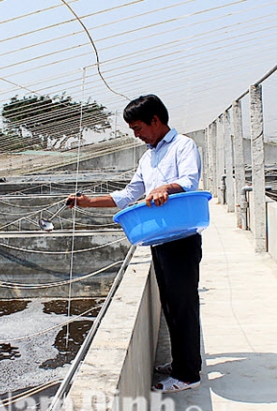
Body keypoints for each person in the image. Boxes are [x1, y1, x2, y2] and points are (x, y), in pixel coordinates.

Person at [66, 94, 203, 393]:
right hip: (160, 239)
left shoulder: (183, 146)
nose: (136, 135)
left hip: (181, 238)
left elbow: (190, 181)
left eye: (138, 127)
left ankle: (188, 375)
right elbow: (129, 195)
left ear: (156, 120)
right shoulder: (148, 156)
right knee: (170, 305)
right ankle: (181, 362)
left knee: (184, 307)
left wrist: (166, 187)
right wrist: (87, 202)